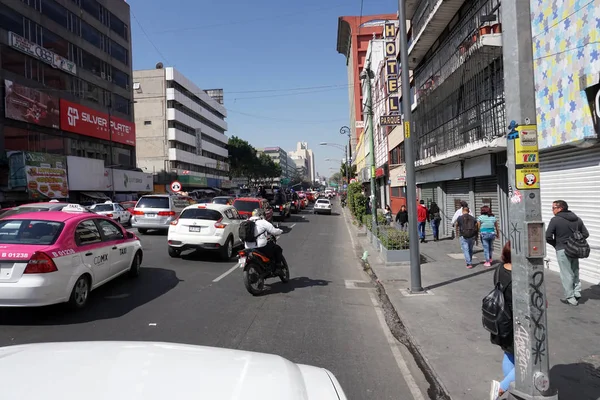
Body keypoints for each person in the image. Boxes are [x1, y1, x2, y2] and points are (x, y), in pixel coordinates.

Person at [545, 200, 589, 306]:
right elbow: (585, 234)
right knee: (575, 270)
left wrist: (556, 245)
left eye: (553, 208)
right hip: (575, 249)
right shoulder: (577, 219)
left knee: (566, 273)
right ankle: (577, 292)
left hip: (562, 249)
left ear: (560, 208)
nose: (552, 210)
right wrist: (575, 241)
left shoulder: (555, 220)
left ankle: (570, 298)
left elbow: (548, 236)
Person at [490, 241, 515, 400]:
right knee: (528, 364)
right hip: (515, 323)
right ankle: (501, 388)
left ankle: (512, 389)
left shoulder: (499, 269)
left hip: (500, 320)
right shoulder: (518, 276)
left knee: (510, 354)